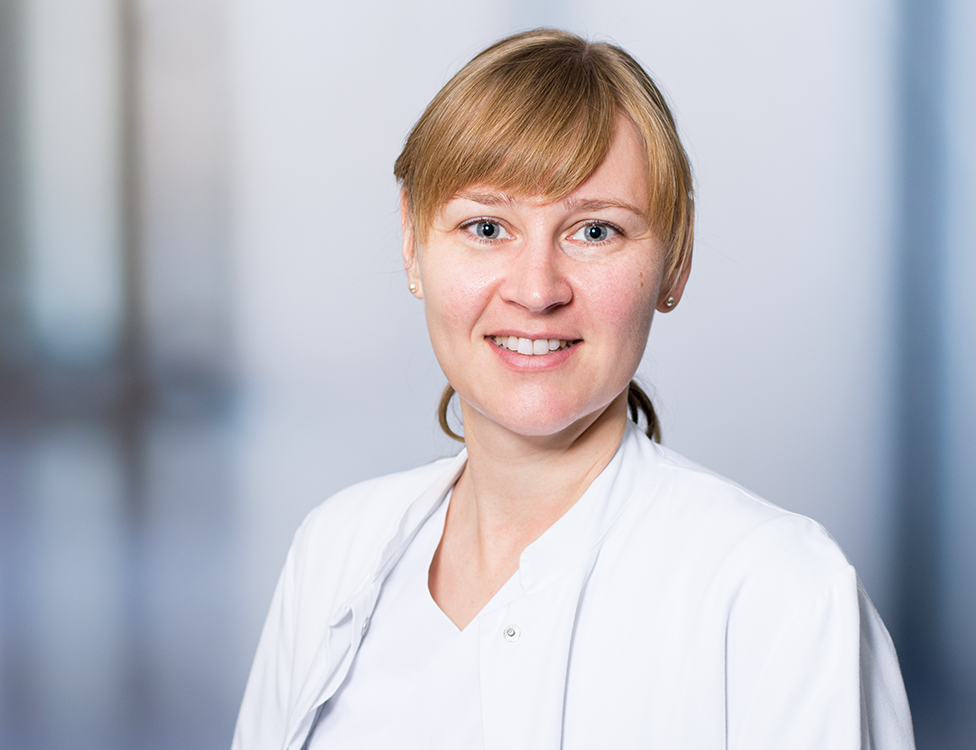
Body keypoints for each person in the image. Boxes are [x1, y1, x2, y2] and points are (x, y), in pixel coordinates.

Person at [232, 29, 914, 750]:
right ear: (412, 242)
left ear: (675, 258)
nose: (536, 291)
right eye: (486, 226)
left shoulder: (780, 594)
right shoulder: (333, 550)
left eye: (594, 232)